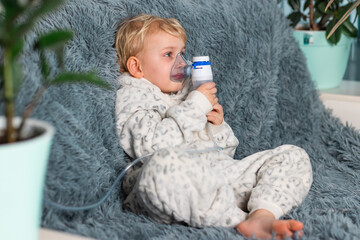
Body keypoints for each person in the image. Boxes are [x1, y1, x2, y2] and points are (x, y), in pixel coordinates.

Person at [114, 14, 313, 240]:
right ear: (136, 67)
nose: (181, 62)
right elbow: (150, 147)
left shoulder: (188, 93)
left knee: (293, 155)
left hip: (218, 179)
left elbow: (227, 154)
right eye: (169, 54)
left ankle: (263, 214)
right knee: (163, 165)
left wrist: (217, 127)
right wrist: (195, 106)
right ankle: (240, 221)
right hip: (176, 186)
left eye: (182, 53)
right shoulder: (134, 98)